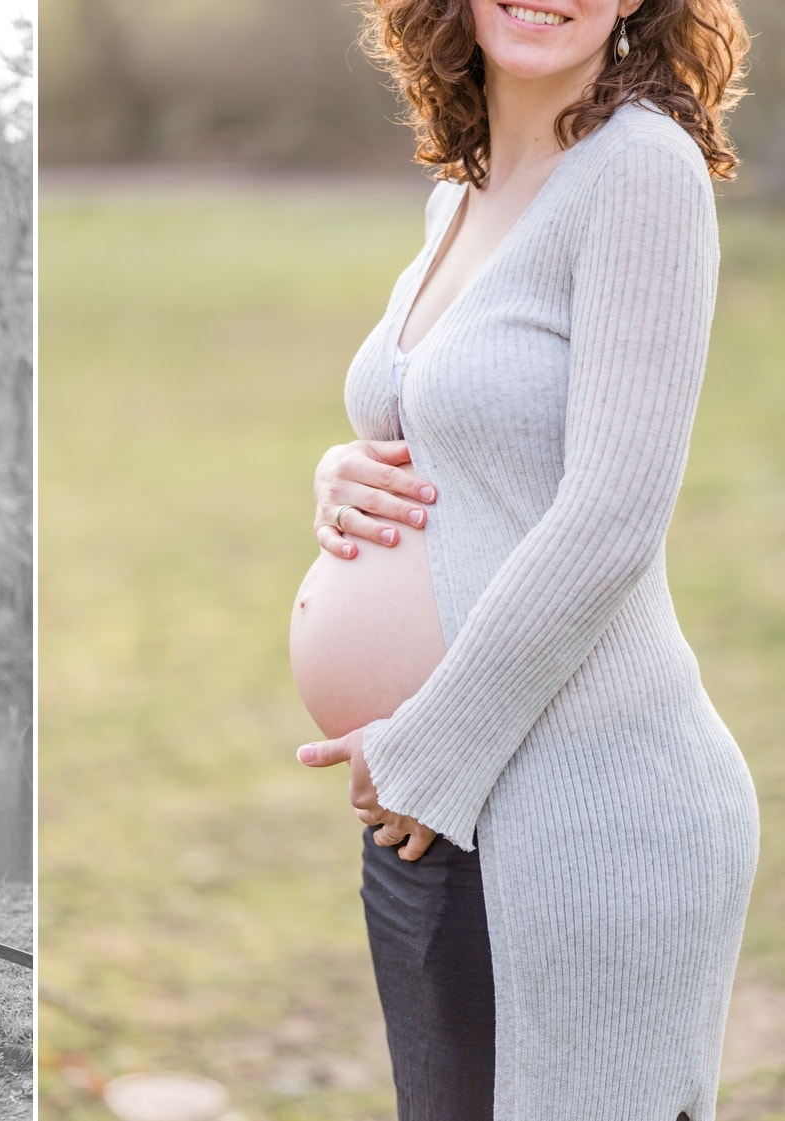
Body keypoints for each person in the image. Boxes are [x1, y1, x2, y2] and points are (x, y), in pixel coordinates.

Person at [286, 1, 759, 1117]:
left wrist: (430, 749)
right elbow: (451, 421)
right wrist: (338, 470)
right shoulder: (466, 180)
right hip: (421, 810)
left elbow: (613, 512)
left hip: (582, 814)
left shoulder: (642, 171)